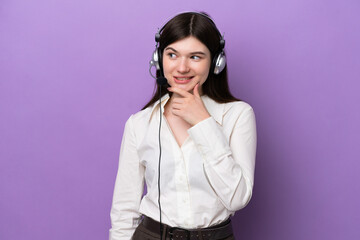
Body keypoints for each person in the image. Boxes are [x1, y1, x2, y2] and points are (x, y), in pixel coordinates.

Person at [109, 12, 257, 240]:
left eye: (195, 57)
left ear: (216, 63)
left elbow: (237, 198)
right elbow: (124, 211)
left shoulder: (238, 115)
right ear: (159, 59)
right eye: (172, 55)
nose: (181, 67)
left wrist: (203, 122)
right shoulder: (139, 124)